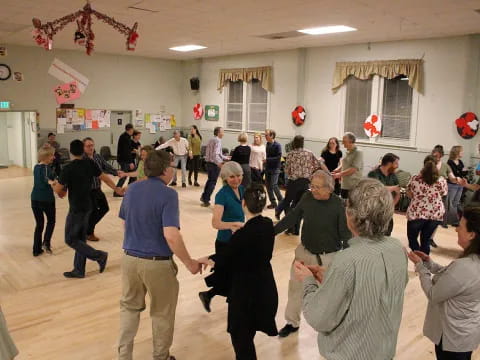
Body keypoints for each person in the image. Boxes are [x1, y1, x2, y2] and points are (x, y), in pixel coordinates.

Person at [294, 178, 408, 360]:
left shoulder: (347, 260)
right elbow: (376, 293)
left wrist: (308, 281)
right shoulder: (397, 249)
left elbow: (318, 317)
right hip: (384, 350)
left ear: (351, 214)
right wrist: (331, 278)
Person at [117, 149, 205, 360]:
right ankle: (160, 357)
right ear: (165, 169)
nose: (173, 171)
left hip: (129, 259)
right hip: (156, 264)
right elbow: (171, 236)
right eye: (172, 167)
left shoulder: (132, 190)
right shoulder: (168, 194)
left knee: (129, 309)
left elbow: (123, 222)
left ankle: (124, 356)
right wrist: (189, 263)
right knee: (162, 313)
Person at [200, 184, 278, 359]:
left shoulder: (242, 235)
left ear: (243, 203)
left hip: (246, 294)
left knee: (241, 338)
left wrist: (207, 259)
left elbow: (227, 256)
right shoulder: (267, 225)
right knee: (248, 335)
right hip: (265, 289)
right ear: (264, 205)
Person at [274, 170, 351, 337]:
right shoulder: (307, 198)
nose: (313, 189)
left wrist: (348, 258)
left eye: (317, 187)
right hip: (304, 253)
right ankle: (292, 322)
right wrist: (271, 231)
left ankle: (332, 326)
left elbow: (345, 234)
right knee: (295, 289)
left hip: (328, 258)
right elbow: (293, 217)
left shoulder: (338, 205)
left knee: (330, 295)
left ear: (329, 188)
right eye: (312, 186)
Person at [407, 207, 480, 360]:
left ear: (472, 235)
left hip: (453, 338)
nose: (456, 230)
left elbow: (433, 294)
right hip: (465, 335)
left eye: (460, 226)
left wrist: (420, 267)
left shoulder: (465, 266)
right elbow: (455, 279)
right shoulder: (473, 262)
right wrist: (430, 264)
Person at [53, 140, 124, 278]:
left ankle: (99, 256)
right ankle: (79, 270)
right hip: (88, 206)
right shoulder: (89, 164)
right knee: (80, 239)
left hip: (76, 208)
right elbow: (104, 177)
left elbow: (59, 189)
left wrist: (53, 184)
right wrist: (116, 189)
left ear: (71, 152)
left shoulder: (68, 168)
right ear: (82, 150)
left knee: (70, 239)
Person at [198, 161, 245, 312]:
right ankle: (223, 299)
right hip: (225, 241)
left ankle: (209, 294)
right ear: (225, 178)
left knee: (232, 275)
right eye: (232, 177)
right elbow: (216, 223)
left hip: (239, 241)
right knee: (231, 275)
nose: (236, 180)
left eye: (239, 176)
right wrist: (232, 225)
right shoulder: (222, 195)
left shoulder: (243, 190)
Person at [276, 135, 326, 234]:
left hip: (293, 182)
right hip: (305, 183)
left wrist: (292, 174)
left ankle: (288, 225)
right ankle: (296, 230)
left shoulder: (290, 154)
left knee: (288, 203)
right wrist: (309, 173)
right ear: (303, 143)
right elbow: (317, 165)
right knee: (299, 206)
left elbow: (286, 170)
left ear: (294, 143)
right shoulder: (309, 153)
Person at [83, 137, 125, 242]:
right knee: (92, 211)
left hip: (97, 188)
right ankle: (89, 232)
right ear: (83, 147)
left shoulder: (97, 157)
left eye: (92, 145)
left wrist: (117, 172)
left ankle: (86, 228)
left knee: (104, 208)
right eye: (88, 146)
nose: (91, 148)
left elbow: (106, 167)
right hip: (87, 191)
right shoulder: (82, 160)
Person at [407, 155, 448, 255]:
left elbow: (410, 194)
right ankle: (424, 263)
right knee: (425, 240)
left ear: (424, 165)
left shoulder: (415, 178)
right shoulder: (441, 180)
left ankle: (418, 259)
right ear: (437, 166)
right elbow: (444, 194)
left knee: (412, 239)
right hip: (435, 214)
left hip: (417, 213)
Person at [31, 145, 57, 256]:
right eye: (52, 155)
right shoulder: (46, 167)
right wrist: (51, 182)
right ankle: (46, 243)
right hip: (46, 200)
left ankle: (36, 250)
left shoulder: (36, 167)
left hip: (34, 199)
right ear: (46, 157)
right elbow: (46, 178)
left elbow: (42, 177)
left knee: (39, 224)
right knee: (51, 221)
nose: (54, 157)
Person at [368, 153, 401, 236]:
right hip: (374, 210)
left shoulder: (393, 176)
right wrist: (393, 188)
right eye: (396, 163)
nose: (397, 166)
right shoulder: (373, 174)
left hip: (387, 210)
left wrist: (392, 205)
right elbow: (378, 189)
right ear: (389, 164)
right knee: (373, 232)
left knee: (387, 232)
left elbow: (398, 193)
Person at [200, 127, 230, 207]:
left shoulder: (211, 140)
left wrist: (226, 157)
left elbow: (217, 153)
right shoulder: (218, 141)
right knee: (212, 183)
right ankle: (206, 200)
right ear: (218, 133)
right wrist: (219, 163)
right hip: (214, 165)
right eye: (222, 131)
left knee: (209, 181)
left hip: (209, 163)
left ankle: (204, 197)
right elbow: (215, 154)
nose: (223, 133)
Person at [332, 132, 363, 200]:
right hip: (345, 184)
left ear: (351, 141)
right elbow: (344, 164)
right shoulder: (348, 151)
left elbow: (353, 169)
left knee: (351, 206)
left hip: (353, 185)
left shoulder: (358, 152)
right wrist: (337, 170)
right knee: (343, 204)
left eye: (344, 141)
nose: (342, 143)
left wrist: (338, 175)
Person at [445, 145, 466, 227]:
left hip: (460, 185)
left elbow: (464, 172)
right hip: (452, 185)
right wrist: (459, 172)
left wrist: (460, 172)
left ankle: (453, 221)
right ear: (457, 152)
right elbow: (453, 173)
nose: (462, 153)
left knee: (455, 203)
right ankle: (445, 221)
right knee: (449, 204)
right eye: (461, 151)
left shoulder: (460, 162)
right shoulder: (449, 162)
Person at [264, 129, 283, 209]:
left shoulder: (278, 145)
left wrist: (267, 160)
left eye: (266, 135)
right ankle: (273, 203)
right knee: (268, 187)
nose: (265, 137)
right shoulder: (267, 144)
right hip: (268, 168)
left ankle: (282, 201)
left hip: (275, 169)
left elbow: (278, 158)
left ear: (272, 136)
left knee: (274, 185)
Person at [115, 124, 135, 195]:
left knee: (133, 174)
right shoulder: (125, 137)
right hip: (124, 160)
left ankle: (130, 189)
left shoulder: (126, 136)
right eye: (133, 129)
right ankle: (117, 191)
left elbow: (128, 149)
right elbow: (126, 151)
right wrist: (130, 162)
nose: (133, 131)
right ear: (130, 129)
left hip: (124, 159)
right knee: (124, 175)